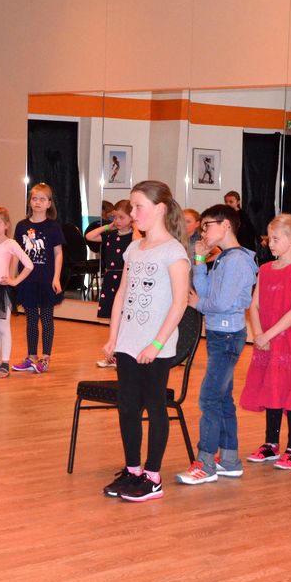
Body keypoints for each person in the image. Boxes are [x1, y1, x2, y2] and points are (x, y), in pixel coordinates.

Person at [101, 180, 189, 502]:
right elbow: (121, 294)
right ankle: (133, 470)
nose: (133, 213)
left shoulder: (174, 251)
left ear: (160, 209)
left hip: (156, 346)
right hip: (128, 342)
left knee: (154, 405)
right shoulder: (134, 248)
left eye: (139, 206)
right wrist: (113, 336)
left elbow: (180, 303)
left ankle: (152, 477)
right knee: (127, 407)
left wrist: (157, 344)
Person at [175, 204, 257, 485]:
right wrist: (199, 261)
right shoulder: (224, 258)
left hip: (227, 336)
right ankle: (230, 460)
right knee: (221, 398)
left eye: (207, 225)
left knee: (209, 398)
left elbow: (218, 303)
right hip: (219, 333)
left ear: (226, 225)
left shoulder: (237, 261)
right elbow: (206, 291)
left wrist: (199, 305)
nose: (203, 232)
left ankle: (206, 463)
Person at [239, 215, 291, 471]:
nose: (270, 243)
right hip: (267, 340)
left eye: (276, 239)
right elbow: (254, 305)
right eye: (270, 238)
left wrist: (268, 335)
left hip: (290, 341)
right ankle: (271, 443)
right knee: (272, 387)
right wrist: (258, 333)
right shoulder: (265, 269)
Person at [12, 183, 64, 374]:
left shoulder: (53, 227)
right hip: (28, 281)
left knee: (47, 319)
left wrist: (56, 278)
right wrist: (13, 277)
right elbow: (16, 253)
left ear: (49, 203)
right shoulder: (22, 226)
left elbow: (58, 253)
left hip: (46, 280)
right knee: (31, 320)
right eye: (34, 198)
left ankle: (45, 358)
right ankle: (31, 357)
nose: (38, 202)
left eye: (42, 199)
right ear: (30, 202)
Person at [0, 206, 33, 378]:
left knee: (3, 327)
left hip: (3, 290)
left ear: (6, 225)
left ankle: (5, 364)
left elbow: (29, 265)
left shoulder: (10, 244)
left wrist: (14, 281)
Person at [86, 199, 135, 367]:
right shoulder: (111, 235)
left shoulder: (134, 238)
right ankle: (112, 355)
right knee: (114, 320)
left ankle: (122, 356)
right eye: (115, 217)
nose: (117, 221)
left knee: (124, 320)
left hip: (124, 280)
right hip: (110, 279)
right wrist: (109, 226)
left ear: (131, 218)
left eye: (122, 217)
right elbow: (89, 236)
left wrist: (135, 227)